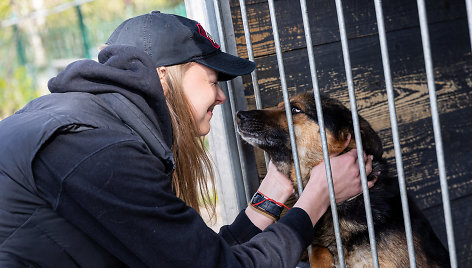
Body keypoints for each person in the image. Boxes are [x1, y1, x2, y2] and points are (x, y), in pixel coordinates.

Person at [0, 11, 374, 267]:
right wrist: (316, 197)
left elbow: (190, 256)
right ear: (165, 75)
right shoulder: (96, 149)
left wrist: (272, 196)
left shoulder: (85, 121)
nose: (222, 96)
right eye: (212, 80)